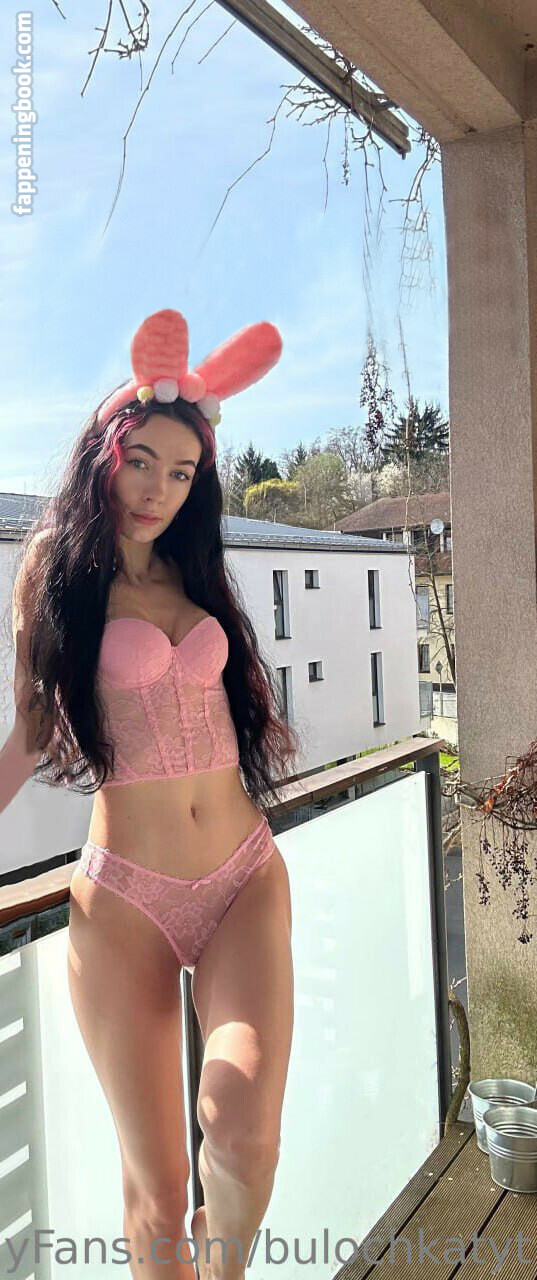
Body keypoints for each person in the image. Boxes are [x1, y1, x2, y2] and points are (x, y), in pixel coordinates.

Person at [1, 308, 303, 1280]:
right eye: (141, 462)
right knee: (159, 1189)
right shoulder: (57, 570)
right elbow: (30, 734)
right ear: (106, 454)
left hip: (242, 875)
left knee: (243, 1136)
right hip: (126, 898)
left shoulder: (195, 570)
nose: (158, 490)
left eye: (181, 472)